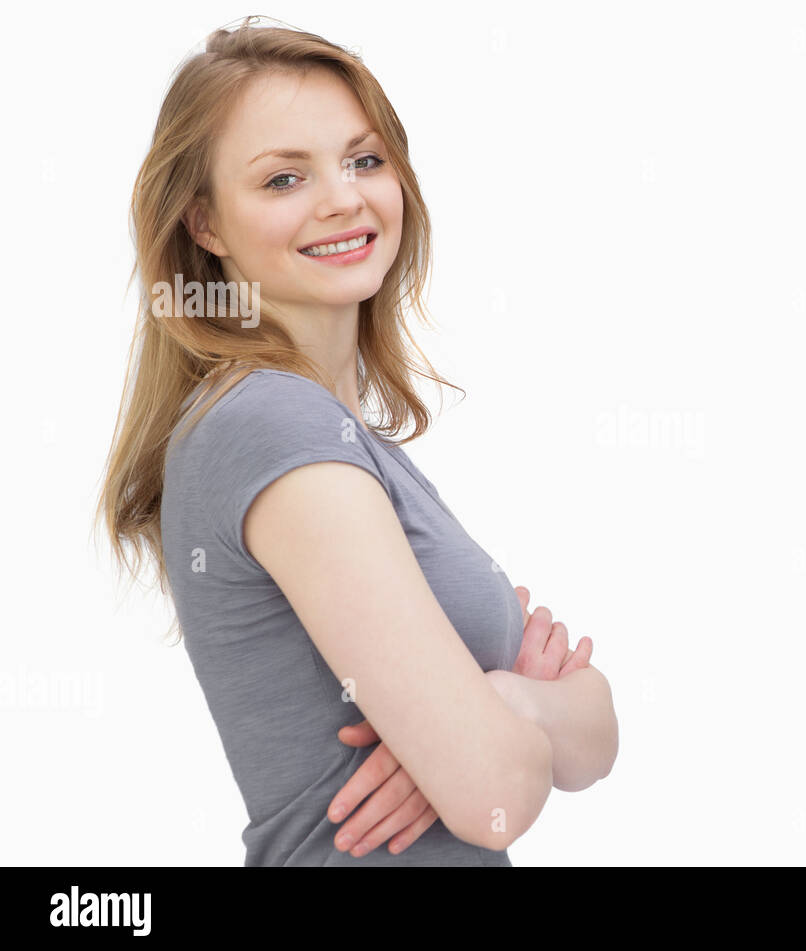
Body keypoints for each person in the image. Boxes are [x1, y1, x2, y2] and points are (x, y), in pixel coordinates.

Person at [95, 18, 617, 865]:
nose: (342, 198)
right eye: (284, 178)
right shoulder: (269, 424)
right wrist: (489, 730)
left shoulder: (348, 444)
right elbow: (494, 796)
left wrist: (498, 707)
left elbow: (597, 737)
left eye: (364, 159)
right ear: (205, 224)